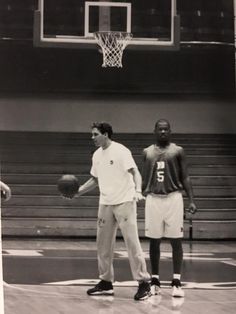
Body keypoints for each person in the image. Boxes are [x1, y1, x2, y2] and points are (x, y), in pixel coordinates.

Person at [77, 122, 151, 301]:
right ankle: (106, 282)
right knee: (102, 245)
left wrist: (138, 191)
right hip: (105, 203)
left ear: (106, 134)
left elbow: (136, 173)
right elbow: (95, 179)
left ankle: (144, 283)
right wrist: (77, 192)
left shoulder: (121, 151)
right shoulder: (96, 155)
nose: (92, 138)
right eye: (92, 134)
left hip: (125, 201)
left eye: (95, 134)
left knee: (132, 243)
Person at [142, 119, 197, 298]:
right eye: (160, 129)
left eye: (166, 129)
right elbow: (143, 179)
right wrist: (137, 194)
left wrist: (191, 200)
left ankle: (176, 281)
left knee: (176, 240)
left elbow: (186, 177)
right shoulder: (147, 152)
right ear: (155, 131)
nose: (163, 132)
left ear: (170, 131)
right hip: (153, 198)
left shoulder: (178, 150)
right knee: (154, 240)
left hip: (174, 198)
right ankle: (155, 281)